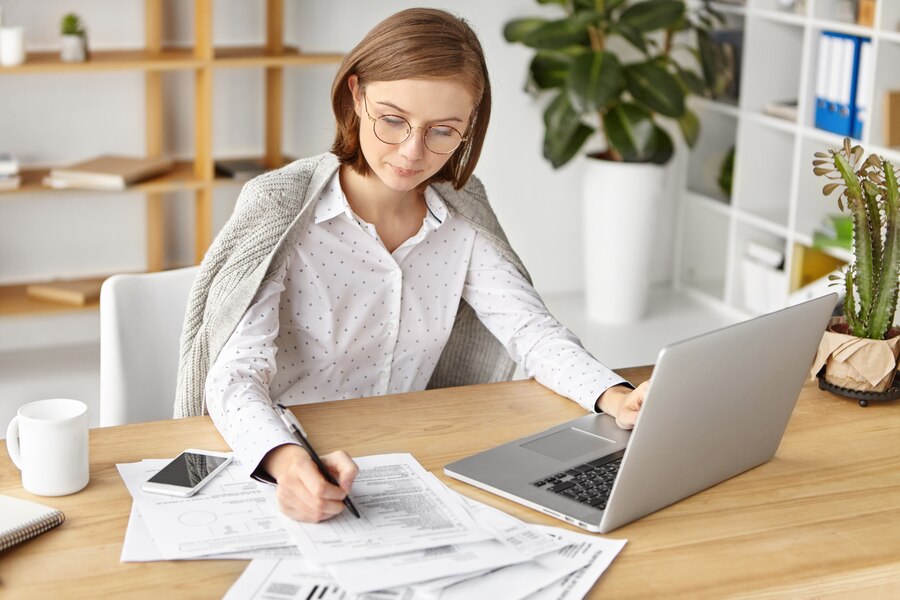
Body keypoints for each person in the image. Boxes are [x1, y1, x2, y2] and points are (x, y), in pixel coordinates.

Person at [175, 8, 648, 523]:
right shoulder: (283, 212)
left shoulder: (464, 215)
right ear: (356, 95)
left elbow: (531, 332)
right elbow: (235, 374)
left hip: (415, 460)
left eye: (443, 131)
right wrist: (287, 465)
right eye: (393, 120)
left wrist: (613, 395)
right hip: (293, 464)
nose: (412, 152)